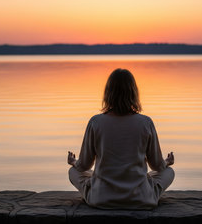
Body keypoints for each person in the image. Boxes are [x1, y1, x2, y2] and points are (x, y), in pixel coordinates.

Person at [67, 68, 175, 209]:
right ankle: (145, 192)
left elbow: (83, 166)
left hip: (101, 199)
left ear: (108, 93)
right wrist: (166, 162)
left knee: (73, 172)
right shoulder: (145, 123)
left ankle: (100, 189)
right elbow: (157, 166)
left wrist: (73, 162)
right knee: (169, 172)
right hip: (140, 199)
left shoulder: (96, 122)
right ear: (134, 93)